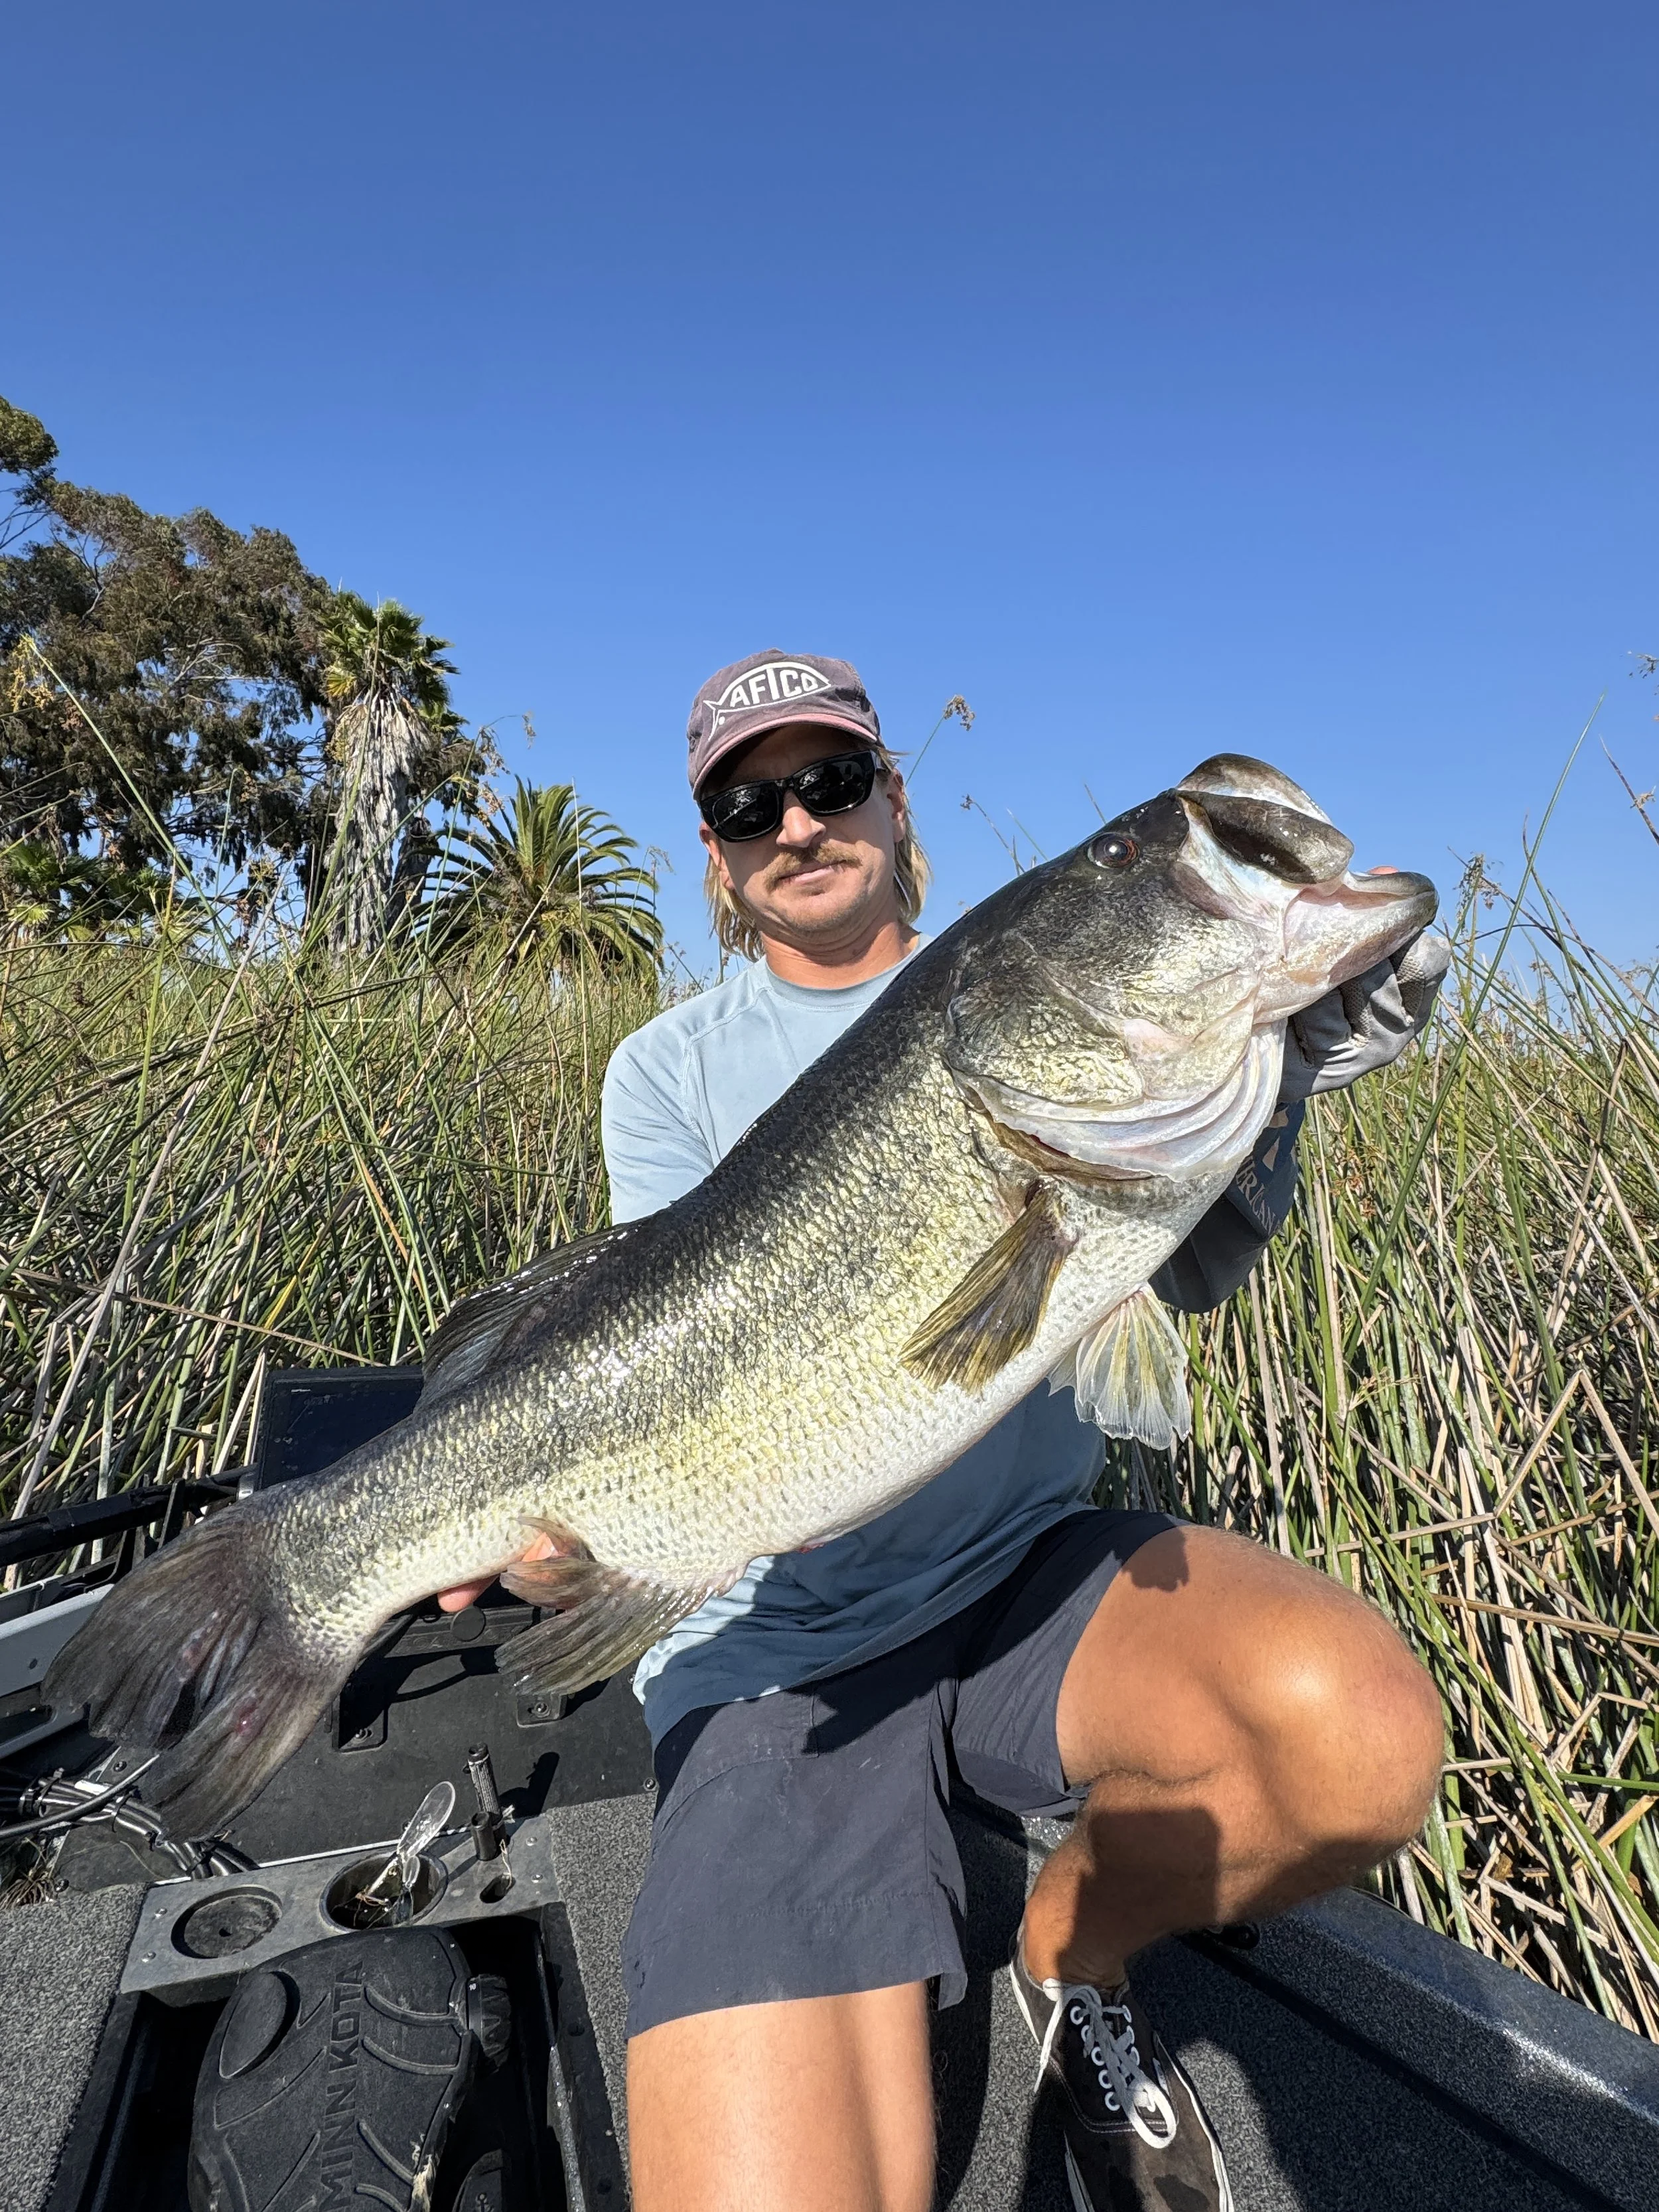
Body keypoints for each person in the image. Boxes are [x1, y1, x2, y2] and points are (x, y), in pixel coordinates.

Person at [443, 650, 1450, 2212]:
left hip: (1023, 1579)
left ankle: (1072, 1946)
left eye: (831, 780)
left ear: (892, 801)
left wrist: (1287, 1067)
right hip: (775, 1646)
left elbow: (1173, 1260)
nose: (796, 822)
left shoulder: (1052, 1030)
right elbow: (651, 1353)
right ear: (714, 851)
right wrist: (552, 1533)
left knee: (1360, 1740)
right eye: (747, 800)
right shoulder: (666, 1069)